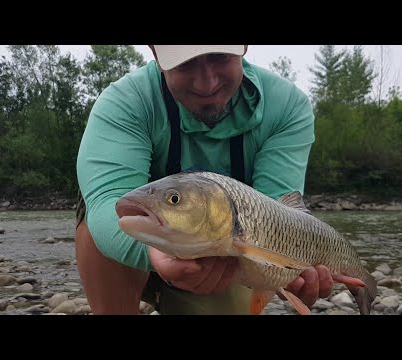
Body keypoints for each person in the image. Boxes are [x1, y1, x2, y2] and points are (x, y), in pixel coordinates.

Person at [75, 45, 334, 315]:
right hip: (135, 250)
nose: (206, 82)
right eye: (185, 64)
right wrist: (161, 249)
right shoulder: (125, 101)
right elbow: (107, 201)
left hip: (226, 256)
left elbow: (278, 222)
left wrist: (286, 272)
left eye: (220, 57)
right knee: (110, 208)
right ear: (155, 53)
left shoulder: (286, 106)